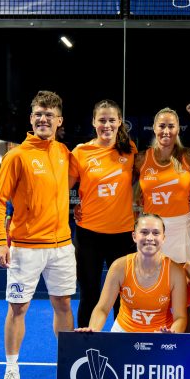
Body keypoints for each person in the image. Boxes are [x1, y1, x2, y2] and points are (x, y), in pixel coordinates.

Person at [0, 91, 75, 379]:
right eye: (39, 114)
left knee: (63, 305)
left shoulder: (64, 153)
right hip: (25, 247)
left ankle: (67, 367)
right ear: (31, 118)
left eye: (49, 115)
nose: (43, 119)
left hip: (62, 246)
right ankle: (11, 371)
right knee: (18, 308)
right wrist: (0, 241)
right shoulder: (17, 156)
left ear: (59, 121)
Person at [70, 100, 138, 329]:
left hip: (123, 235)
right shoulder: (80, 152)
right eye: (102, 120)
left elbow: (145, 179)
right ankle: (85, 343)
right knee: (89, 293)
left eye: (111, 120)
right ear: (93, 122)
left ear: (119, 122)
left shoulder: (129, 149)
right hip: (88, 234)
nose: (106, 125)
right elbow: (61, 187)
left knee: (122, 295)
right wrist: (75, 207)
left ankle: (121, 342)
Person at [77, 213, 188, 332]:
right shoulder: (119, 267)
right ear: (134, 236)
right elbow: (102, 309)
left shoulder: (175, 272)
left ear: (163, 238)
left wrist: (171, 334)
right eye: (144, 232)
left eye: (156, 233)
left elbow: (180, 317)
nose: (150, 238)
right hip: (124, 331)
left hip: (162, 333)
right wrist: (93, 330)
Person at [136, 108, 190, 264]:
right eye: (162, 126)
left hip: (182, 226)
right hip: (152, 226)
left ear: (178, 129)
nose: (166, 131)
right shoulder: (142, 158)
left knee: (185, 276)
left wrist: (184, 195)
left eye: (171, 126)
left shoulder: (188, 156)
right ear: (154, 128)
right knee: (152, 274)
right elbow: (124, 184)